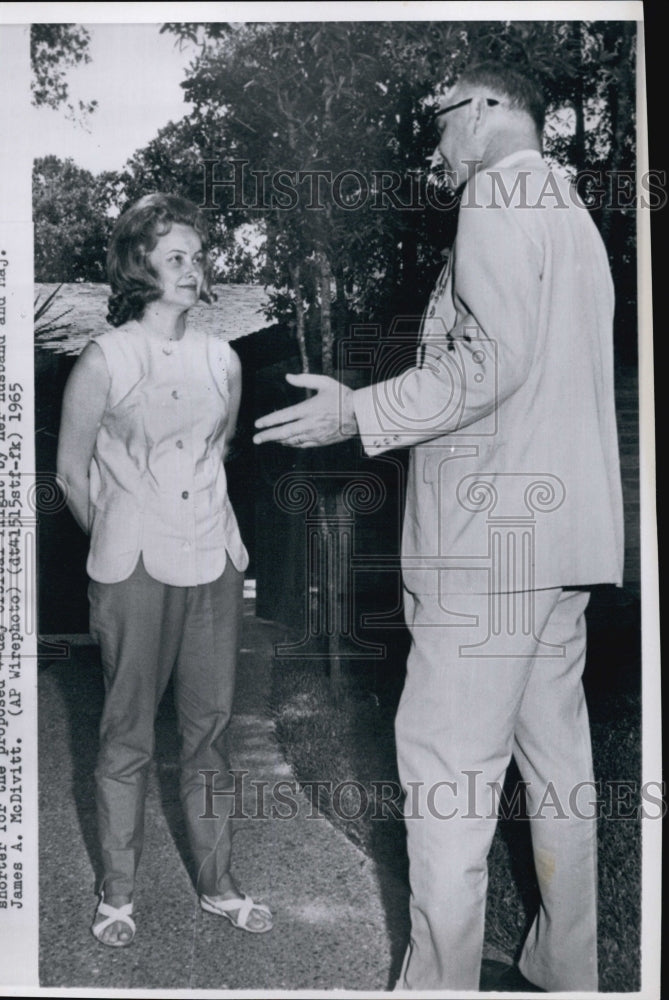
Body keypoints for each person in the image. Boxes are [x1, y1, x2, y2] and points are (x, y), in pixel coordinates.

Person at [253, 62, 623, 991]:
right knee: (558, 777)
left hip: (487, 550)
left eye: (443, 119)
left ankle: (437, 987)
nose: (435, 143)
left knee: (445, 785)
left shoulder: (497, 196)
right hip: (561, 544)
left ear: (493, 109)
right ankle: (564, 970)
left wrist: (358, 412)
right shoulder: (572, 216)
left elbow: (491, 363)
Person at [57, 193, 273, 947]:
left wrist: (207, 539)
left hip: (211, 558)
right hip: (132, 567)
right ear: (138, 266)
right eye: (175, 255)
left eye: (198, 256)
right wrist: (118, 543)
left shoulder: (224, 358)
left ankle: (217, 883)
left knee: (209, 733)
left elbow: (218, 452)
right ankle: (118, 891)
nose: (193, 268)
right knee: (126, 734)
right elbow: (70, 473)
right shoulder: (105, 356)